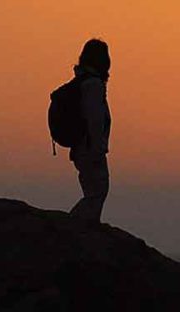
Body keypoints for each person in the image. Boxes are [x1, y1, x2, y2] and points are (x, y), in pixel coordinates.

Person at [68, 38, 111, 224]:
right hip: (89, 148)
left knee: (94, 191)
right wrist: (98, 148)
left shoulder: (82, 81)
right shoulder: (93, 85)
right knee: (97, 191)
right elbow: (94, 119)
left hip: (82, 147)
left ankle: (83, 226)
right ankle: (79, 227)